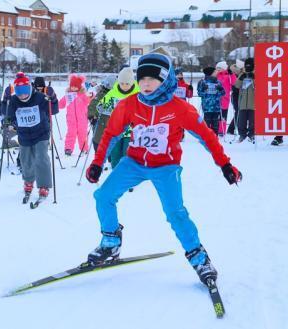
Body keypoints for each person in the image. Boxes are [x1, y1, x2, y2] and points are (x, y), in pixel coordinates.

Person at [85, 53, 243, 287]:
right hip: (134, 162)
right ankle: (111, 241)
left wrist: (225, 164)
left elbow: (207, 137)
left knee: (175, 212)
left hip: (166, 166)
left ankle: (200, 259)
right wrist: (98, 162)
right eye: (142, 79)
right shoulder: (130, 104)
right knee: (103, 196)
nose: (146, 84)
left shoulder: (180, 108)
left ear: (165, 80)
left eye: (152, 79)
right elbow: (111, 134)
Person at [4, 73, 53, 204]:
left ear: (30, 89)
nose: (22, 96)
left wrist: (52, 98)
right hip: (24, 134)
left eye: (24, 92)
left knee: (41, 157)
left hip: (41, 132)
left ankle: (43, 185)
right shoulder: (14, 100)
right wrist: (6, 103)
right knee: (26, 160)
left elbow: (53, 110)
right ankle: (28, 180)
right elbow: (9, 115)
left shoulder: (39, 97)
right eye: (19, 93)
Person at [96, 68, 139, 169]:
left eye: (127, 84)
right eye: (122, 83)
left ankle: (127, 180)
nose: (124, 86)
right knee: (115, 156)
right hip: (116, 129)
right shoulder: (113, 92)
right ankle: (116, 177)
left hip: (131, 129)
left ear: (132, 82)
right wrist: (103, 107)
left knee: (127, 154)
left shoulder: (138, 92)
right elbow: (100, 106)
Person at [59, 74, 92, 156]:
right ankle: (68, 149)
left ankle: (84, 149)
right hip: (71, 119)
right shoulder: (68, 95)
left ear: (79, 86)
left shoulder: (83, 95)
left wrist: (91, 95)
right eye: (72, 86)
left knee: (82, 134)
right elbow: (61, 104)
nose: (73, 88)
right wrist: (54, 103)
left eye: (75, 86)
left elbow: (89, 100)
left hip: (82, 119)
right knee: (71, 133)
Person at [87, 76, 115, 150]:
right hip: (99, 121)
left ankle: (109, 156)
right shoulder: (101, 94)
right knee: (98, 139)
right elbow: (93, 105)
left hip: (112, 122)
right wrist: (92, 116)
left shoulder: (116, 95)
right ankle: (98, 154)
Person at [197, 67, 224, 134]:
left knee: (215, 124)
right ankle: (207, 138)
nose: (216, 72)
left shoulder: (218, 82)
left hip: (216, 107)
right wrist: (204, 90)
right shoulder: (202, 82)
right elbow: (200, 94)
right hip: (207, 107)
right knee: (207, 124)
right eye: (215, 71)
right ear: (210, 73)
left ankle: (215, 138)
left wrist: (221, 90)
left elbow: (223, 93)